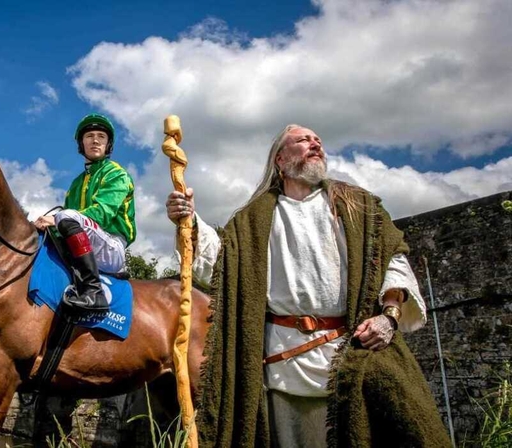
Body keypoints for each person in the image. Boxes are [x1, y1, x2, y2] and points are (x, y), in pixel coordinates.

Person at [165, 124, 450, 447]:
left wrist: (389, 316)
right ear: (281, 160)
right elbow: (222, 266)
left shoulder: (357, 206)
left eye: (318, 140)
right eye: (303, 140)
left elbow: (393, 259)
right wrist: (189, 219)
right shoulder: (253, 220)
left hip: (353, 356)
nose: (315, 144)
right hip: (283, 368)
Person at [34, 113, 136, 313]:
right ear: (82, 144)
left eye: (101, 136)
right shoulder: (75, 184)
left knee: (65, 216)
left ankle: (93, 291)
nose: (95, 140)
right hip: (83, 245)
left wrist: (55, 219)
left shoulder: (116, 173)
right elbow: (63, 227)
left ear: (108, 145)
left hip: (111, 248)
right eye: (89, 136)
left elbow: (103, 213)